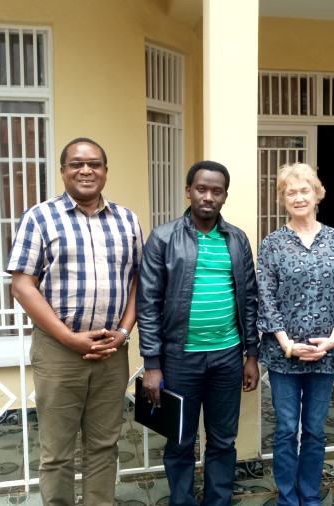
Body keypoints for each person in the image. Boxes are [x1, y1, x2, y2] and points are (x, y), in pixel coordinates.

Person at [7, 137, 142, 506]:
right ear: (63, 171)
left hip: (111, 351)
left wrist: (125, 332)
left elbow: (137, 282)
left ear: (105, 171)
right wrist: (69, 338)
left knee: (104, 444)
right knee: (58, 451)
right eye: (77, 164)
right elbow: (22, 286)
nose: (87, 170)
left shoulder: (127, 220)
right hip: (59, 353)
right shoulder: (39, 217)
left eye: (95, 163)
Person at [136, 160, 259, 506]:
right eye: (201, 189)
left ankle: (218, 501)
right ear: (188, 191)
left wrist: (252, 355)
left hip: (228, 357)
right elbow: (148, 304)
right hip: (178, 359)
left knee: (223, 440)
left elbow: (249, 298)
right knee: (179, 440)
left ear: (224, 196)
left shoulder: (236, 239)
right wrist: (152, 363)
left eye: (216, 191)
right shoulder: (163, 238)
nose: (208, 196)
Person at [256, 163, 334, 506]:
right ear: (282, 199)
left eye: (305, 191)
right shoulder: (272, 244)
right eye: (291, 192)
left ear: (317, 195)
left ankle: (310, 497)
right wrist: (286, 344)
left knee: (315, 431)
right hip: (284, 356)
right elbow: (265, 296)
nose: (298, 197)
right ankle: (288, 498)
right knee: (285, 430)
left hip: (325, 353)